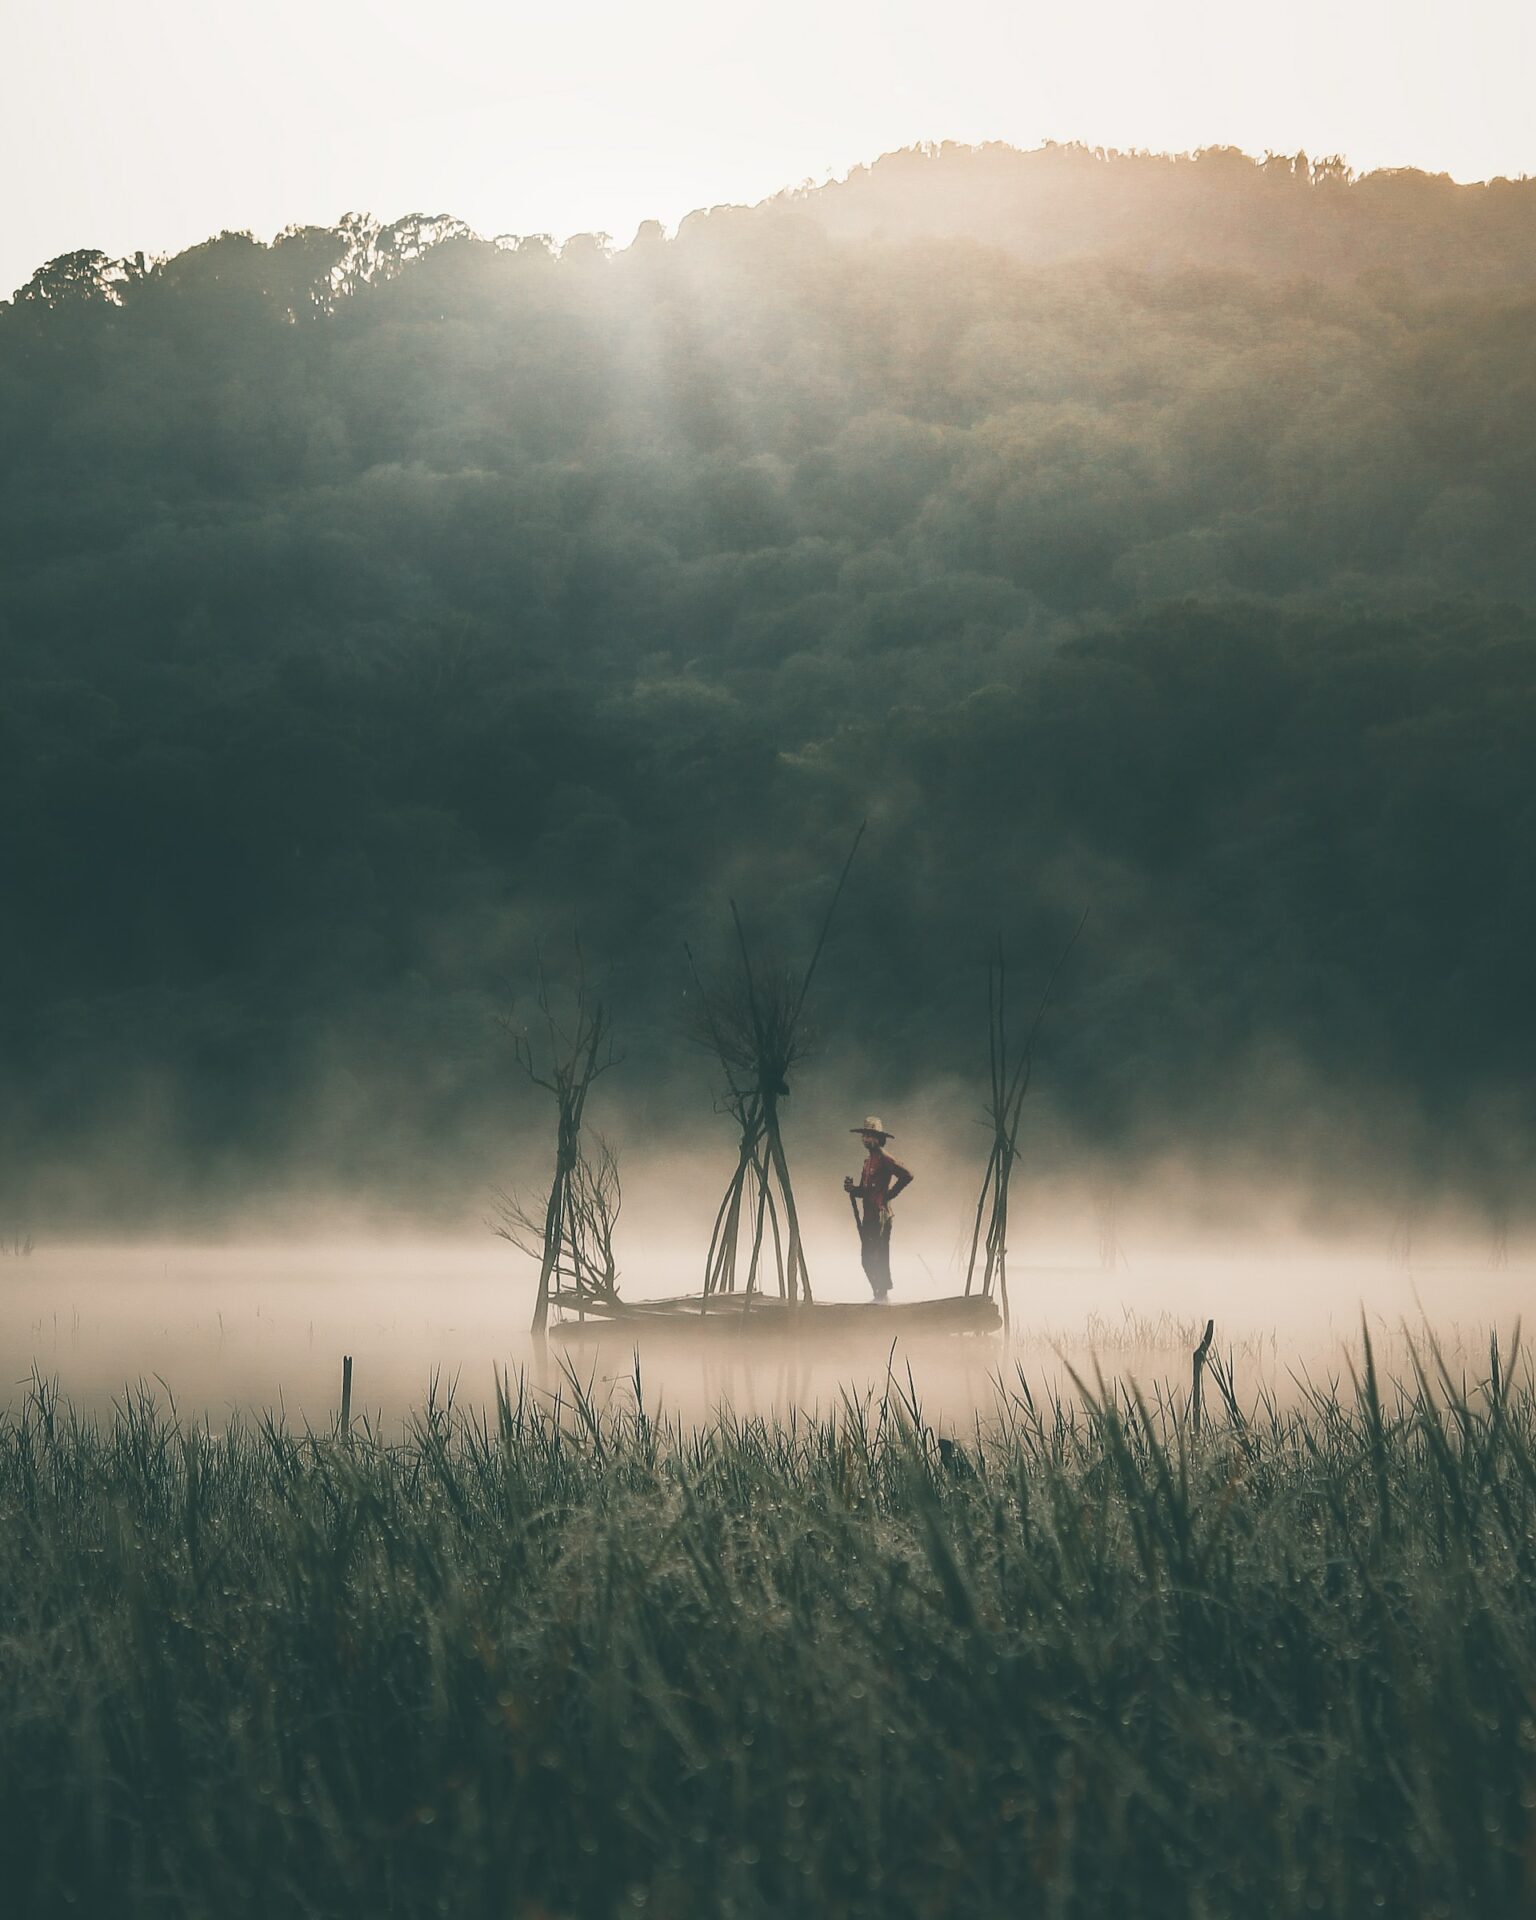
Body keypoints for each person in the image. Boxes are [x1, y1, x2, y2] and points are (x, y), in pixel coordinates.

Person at [844, 1116, 913, 1301]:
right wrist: (853, 1190)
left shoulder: (885, 1158)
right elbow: (865, 1191)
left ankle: (881, 1296)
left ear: (878, 1139)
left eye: (870, 1135)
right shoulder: (868, 1162)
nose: (866, 1139)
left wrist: (889, 1195)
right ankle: (879, 1294)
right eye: (864, 1135)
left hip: (881, 1214)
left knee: (877, 1256)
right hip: (869, 1214)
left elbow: (907, 1175)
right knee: (867, 1259)